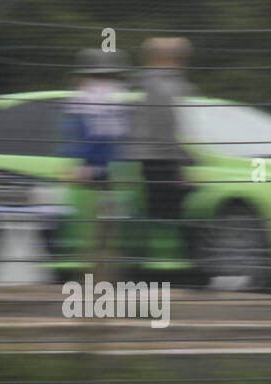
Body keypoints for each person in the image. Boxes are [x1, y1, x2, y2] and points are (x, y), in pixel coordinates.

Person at [61, 48, 131, 280]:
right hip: (120, 172)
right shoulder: (122, 95)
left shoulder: (82, 97)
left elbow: (80, 134)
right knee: (110, 230)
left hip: (88, 172)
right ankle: (108, 277)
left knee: (89, 231)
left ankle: (92, 279)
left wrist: (83, 162)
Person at [128, 37, 195, 262]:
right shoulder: (167, 86)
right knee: (179, 213)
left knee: (153, 215)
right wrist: (184, 162)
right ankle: (194, 267)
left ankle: (150, 266)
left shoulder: (137, 83)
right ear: (171, 59)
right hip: (162, 159)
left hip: (141, 159)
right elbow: (170, 129)